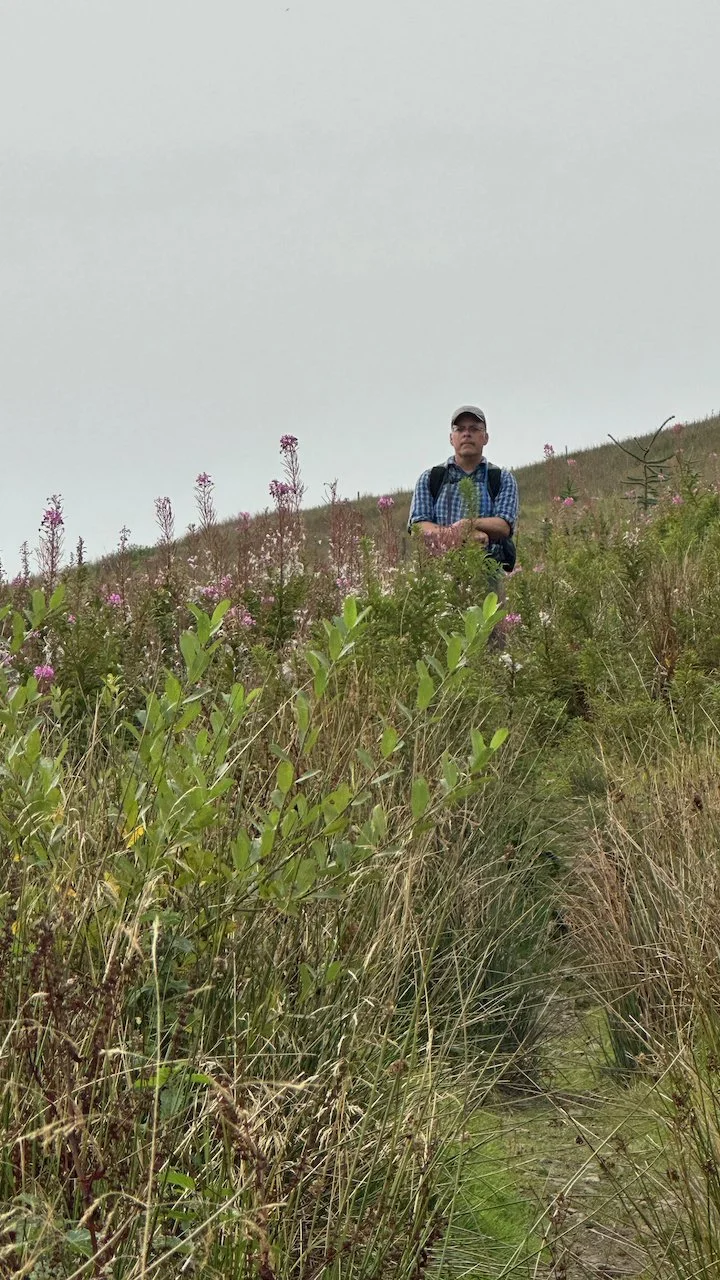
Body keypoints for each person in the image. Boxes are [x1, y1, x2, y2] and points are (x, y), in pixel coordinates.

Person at [408, 405, 519, 568]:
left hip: (487, 573)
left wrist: (468, 524)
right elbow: (418, 527)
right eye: (460, 429)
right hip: (441, 572)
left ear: (486, 438)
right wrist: (456, 536)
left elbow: (504, 525)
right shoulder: (431, 478)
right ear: (451, 438)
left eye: (474, 429)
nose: (467, 434)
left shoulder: (502, 478)